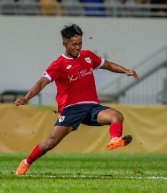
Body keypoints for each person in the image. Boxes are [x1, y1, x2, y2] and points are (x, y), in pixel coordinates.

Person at [15, 24, 139, 176]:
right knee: (50, 143)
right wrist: (26, 98)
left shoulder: (88, 56)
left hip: (92, 106)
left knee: (117, 116)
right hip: (71, 109)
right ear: (64, 44)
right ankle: (26, 162)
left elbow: (107, 65)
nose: (78, 47)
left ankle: (114, 139)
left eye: (80, 43)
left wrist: (126, 71)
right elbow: (42, 82)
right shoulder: (58, 64)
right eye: (74, 44)